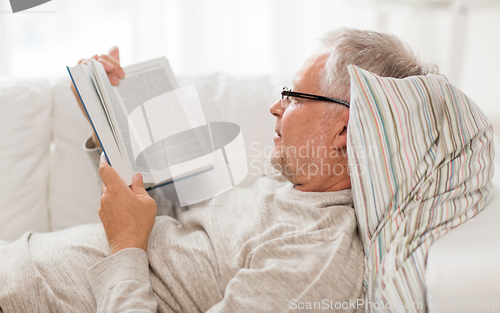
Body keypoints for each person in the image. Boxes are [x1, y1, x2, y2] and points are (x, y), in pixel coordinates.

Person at [0, 27, 437, 313]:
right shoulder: (289, 189)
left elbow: (144, 244)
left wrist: (125, 245)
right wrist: (106, 116)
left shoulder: (313, 257)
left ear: (343, 130)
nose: (274, 107)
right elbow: (179, 230)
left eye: (294, 98)